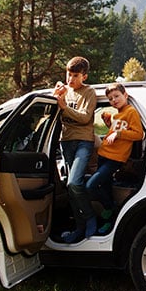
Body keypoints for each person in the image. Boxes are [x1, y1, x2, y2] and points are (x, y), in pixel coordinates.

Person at [87, 82, 143, 235]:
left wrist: (118, 134)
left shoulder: (130, 111)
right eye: (110, 99)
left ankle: (111, 210)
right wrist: (109, 124)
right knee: (106, 188)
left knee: (91, 185)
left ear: (125, 95)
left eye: (117, 96)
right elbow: (117, 129)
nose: (114, 100)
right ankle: (109, 222)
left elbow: (138, 134)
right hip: (103, 155)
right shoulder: (117, 114)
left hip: (115, 158)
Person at [53, 56, 97, 243]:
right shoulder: (63, 92)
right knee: (70, 189)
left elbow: (85, 118)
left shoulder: (89, 92)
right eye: (68, 75)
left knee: (73, 182)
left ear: (84, 77)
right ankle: (79, 227)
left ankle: (90, 218)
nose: (70, 79)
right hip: (66, 142)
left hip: (83, 141)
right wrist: (55, 98)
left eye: (75, 75)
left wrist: (64, 107)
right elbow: (52, 115)